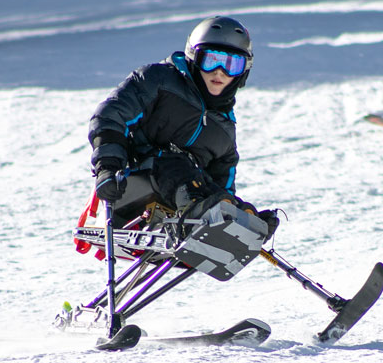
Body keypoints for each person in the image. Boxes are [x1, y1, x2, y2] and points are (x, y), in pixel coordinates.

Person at [88, 15, 274, 233]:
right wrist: (107, 167)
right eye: (211, 60)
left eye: (232, 64)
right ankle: (202, 216)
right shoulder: (158, 81)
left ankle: (242, 227)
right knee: (175, 164)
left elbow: (223, 184)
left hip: (177, 206)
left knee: (211, 191)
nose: (220, 72)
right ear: (194, 57)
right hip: (127, 187)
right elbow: (110, 115)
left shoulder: (224, 129)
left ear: (243, 72)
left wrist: (235, 209)